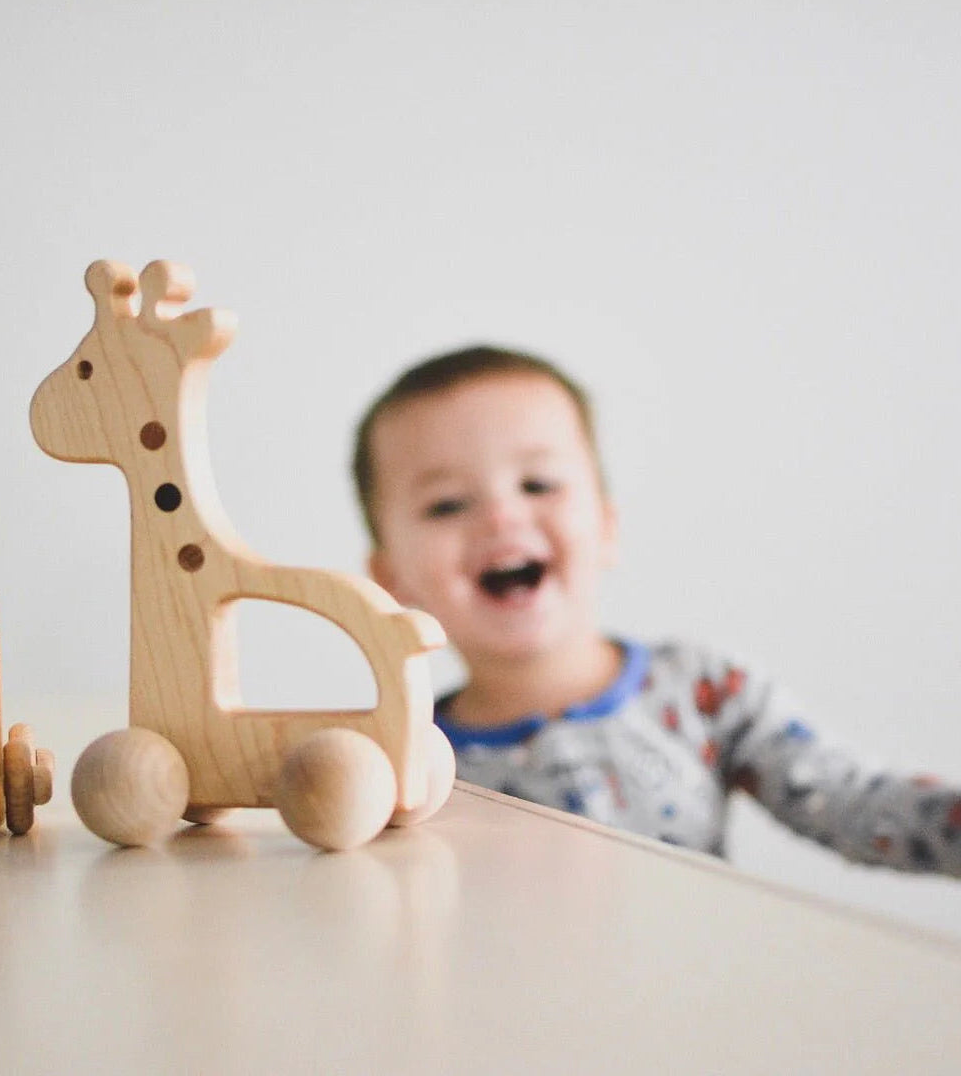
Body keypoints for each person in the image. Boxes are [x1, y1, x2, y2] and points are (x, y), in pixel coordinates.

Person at [351, 345, 961, 874]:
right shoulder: (406, 758)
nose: (501, 517)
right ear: (390, 579)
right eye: (448, 505)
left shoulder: (704, 691)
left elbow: (856, 804)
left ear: (608, 528)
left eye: (538, 484)